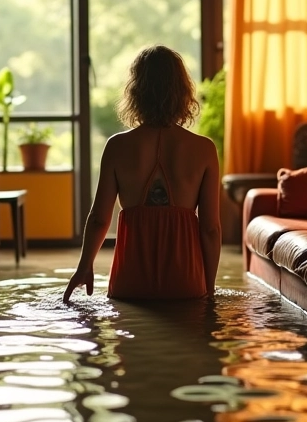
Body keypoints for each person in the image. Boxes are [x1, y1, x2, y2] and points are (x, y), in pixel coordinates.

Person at [63, 45, 222, 304]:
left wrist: (84, 267)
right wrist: (210, 287)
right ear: (183, 91)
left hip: (130, 279)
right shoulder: (204, 149)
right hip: (185, 280)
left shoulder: (117, 147)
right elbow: (211, 229)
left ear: (136, 92)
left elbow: (98, 220)